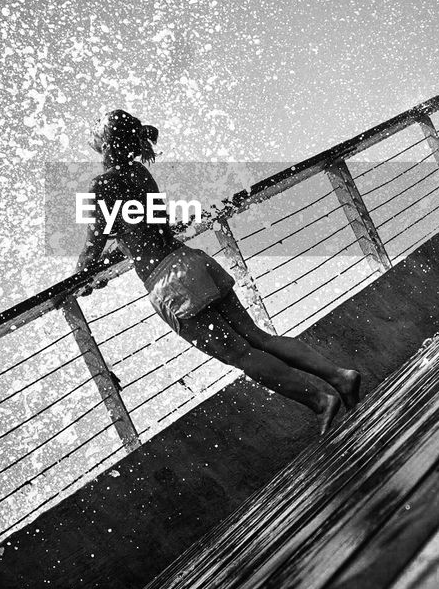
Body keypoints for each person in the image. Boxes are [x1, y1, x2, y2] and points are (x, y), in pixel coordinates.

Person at [74, 109, 361, 434]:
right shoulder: (139, 172)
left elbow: (90, 250)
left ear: (108, 142)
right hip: (191, 261)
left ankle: (322, 401)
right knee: (257, 337)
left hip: (169, 283)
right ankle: (339, 376)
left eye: (98, 130)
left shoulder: (100, 185)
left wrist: (78, 280)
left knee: (239, 353)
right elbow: (147, 227)